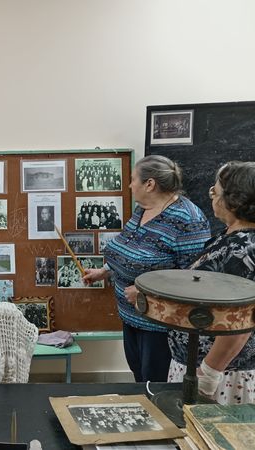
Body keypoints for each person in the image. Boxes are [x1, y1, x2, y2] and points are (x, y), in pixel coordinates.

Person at [82, 155, 210, 382]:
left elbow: (195, 280)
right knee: (139, 378)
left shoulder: (189, 221)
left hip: (159, 326)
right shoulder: (143, 209)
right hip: (130, 315)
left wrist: (145, 294)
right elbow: (129, 249)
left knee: (154, 384)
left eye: (133, 179)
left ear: (149, 184)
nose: (129, 185)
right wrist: (106, 270)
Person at [167, 161, 255, 404]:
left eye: (215, 191)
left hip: (220, 375)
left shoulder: (244, 249)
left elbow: (239, 321)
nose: (212, 197)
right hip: (198, 366)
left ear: (235, 201)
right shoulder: (230, 237)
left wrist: (208, 374)